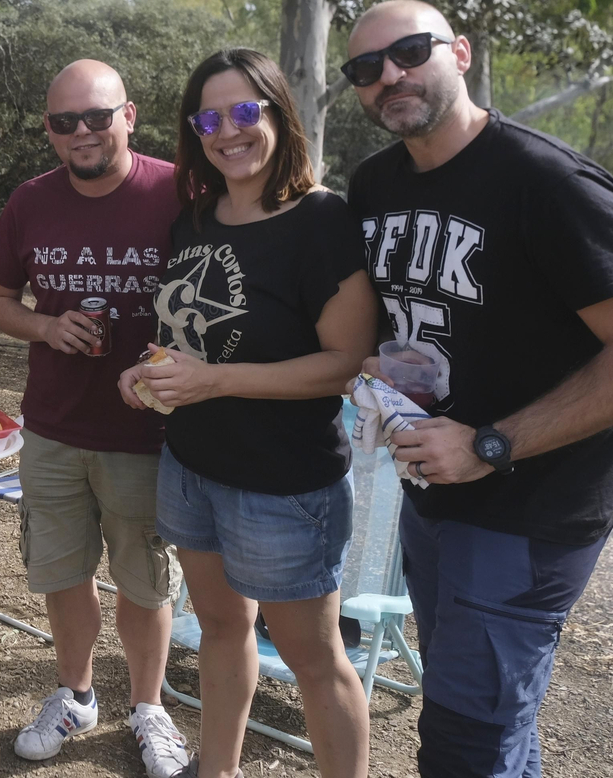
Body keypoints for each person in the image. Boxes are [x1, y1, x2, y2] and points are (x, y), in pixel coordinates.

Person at [344, 0, 613, 778]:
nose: (390, 75)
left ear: (459, 53)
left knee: (466, 744)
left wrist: (491, 445)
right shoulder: (374, 185)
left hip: (532, 503)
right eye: (366, 68)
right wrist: (380, 374)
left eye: (410, 51)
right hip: (434, 491)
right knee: (489, 725)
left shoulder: (546, 181)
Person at [117, 49, 376, 778]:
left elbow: (346, 362)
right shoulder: (195, 219)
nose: (227, 131)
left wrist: (215, 382)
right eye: (208, 120)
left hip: (284, 486)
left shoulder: (321, 220)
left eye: (242, 112)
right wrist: (150, 369)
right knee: (221, 627)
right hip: (192, 465)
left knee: (314, 659)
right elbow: (189, 338)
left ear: (277, 114)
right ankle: (219, 769)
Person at [0, 59, 189, 776]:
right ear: (49, 130)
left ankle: (149, 707)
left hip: (147, 433)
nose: (83, 132)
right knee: (63, 575)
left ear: (128, 116)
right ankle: (75, 696)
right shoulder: (31, 200)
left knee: (143, 582)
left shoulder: (178, 190)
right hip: (54, 430)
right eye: (65, 121)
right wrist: (45, 326)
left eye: (97, 117)